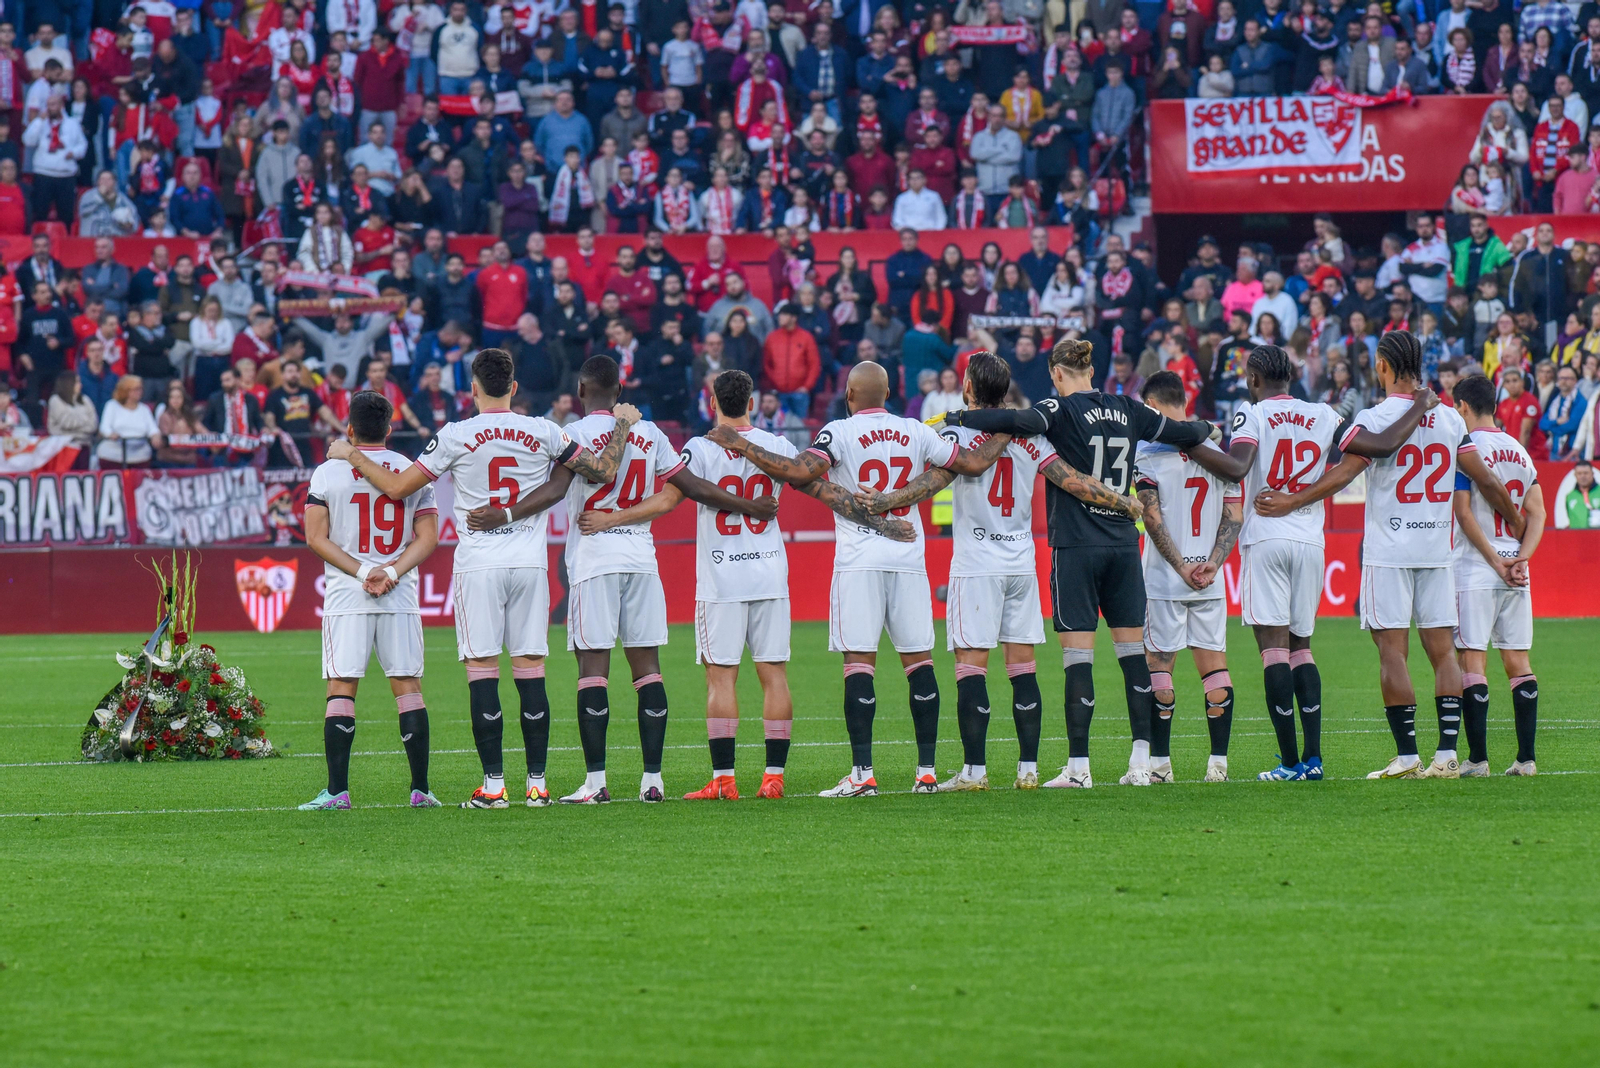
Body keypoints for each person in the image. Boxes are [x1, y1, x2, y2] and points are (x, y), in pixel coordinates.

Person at [461, 355, 771, 805]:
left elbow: (555, 489)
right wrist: (751, 507)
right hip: (642, 559)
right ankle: (653, 781)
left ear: (583, 392)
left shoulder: (573, 434)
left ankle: (596, 782)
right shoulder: (651, 433)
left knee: (594, 671)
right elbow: (694, 488)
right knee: (648, 670)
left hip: (592, 560)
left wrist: (504, 514)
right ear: (620, 388)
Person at [329, 350, 627, 807]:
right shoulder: (543, 430)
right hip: (530, 562)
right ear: (513, 387)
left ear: (472, 388)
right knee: (531, 671)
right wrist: (622, 427)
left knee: (482, 671)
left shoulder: (456, 434)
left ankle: (493, 787)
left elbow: (397, 487)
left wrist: (350, 452)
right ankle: (538, 785)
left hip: (480, 565)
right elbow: (601, 470)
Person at [939, 338, 1218, 788]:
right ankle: (1140, 765)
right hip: (1126, 548)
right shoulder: (1129, 407)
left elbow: (1016, 419)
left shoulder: (1058, 409)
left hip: (1076, 547)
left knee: (1078, 662)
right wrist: (1208, 428)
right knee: (1134, 661)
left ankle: (1079, 769)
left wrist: (961, 417)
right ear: (1092, 369)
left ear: (1056, 373)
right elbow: (1180, 432)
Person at [858, 351, 1140, 790]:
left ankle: (974, 771)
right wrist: (1123, 502)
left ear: (968, 388)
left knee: (972, 667)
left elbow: (933, 482)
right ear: (1005, 391)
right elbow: (1072, 480)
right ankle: (1028, 770)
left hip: (976, 566)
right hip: (1021, 563)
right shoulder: (1033, 437)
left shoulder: (957, 432)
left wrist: (885, 501)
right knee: (1023, 668)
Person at [1255, 332, 1524, 781]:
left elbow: (1343, 474)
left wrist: (1291, 501)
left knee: (1392, 651)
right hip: (1438, 550)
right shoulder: (1449, 419)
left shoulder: (1374, 417)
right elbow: (1488, 481)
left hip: (1389, 552)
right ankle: (1446, 754)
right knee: (1443, 653)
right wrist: (1517, 525)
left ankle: (1406, 756)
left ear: (1382, 365)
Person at [704, 360, 964, 796]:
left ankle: (863, 774)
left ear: (848, 396)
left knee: (859, 664)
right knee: (919, 663)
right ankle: (927, 773)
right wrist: (906, 495)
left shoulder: (839, 432)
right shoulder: (917, 430)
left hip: (858, 561)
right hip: (908, 557)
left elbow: (801, 473)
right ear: (888, 394)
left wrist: (743, 446)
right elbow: (957, 466)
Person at [1191, 343, 1439, 780]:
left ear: (1253, 380)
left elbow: (1236, 467)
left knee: (1273, 650)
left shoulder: (1254, 413)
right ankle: (1314, 759)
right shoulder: (1324, 414)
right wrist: (1420, 406)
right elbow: (1379, 447)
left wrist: (1189, 441)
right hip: (1310, 539)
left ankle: (1289, 763)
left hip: (1267, 533)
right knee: (1301, 648)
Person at [576, 369, 796, 799]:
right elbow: (807, 476)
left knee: (721, 678)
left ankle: (724, 780)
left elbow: (669, 498)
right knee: (774, 674)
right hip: (770, 570)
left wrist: (613, 518)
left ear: (712, 401)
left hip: (722, 576)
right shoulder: (778, 445)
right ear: (752, 401)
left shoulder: (699, 448)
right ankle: (773, 777)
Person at [299, 389, 442, 811]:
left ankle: (337, 792)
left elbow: (314, 538)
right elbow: (429, 537)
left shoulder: (328, 472)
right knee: (408, 687)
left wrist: (364, 571)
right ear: (390, 429)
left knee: (342, 686)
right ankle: (421, 789)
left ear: (349, 429)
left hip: (348, 593)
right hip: (398, 593)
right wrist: (392, 571)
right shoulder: (410, 470)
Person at [1126, 372, 1244, 784]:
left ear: (1154, 407)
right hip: (1210, 579)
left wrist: (1180, 567)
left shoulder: (1147, 457)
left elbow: (1151, 517)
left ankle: (1160, 765)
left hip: (1165, 579)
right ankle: (1219, 764)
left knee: (1159, 667)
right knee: (1215, 667)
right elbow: (1234, 515)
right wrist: (1212, 562)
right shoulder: (1217, 452)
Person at [1450, 374, 1544, 778]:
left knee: (1472, 661)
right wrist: (1520, 558)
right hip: (1516, 570)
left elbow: (1464, 512)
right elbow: (1537, 512)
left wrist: (1493, 560)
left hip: (1477, 567)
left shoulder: (1466, 448)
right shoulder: (1520, 451)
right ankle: (1526, 759)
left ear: (1463, 407)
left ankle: (1478, 759)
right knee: (1518, 663)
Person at [97, 374, 161, 467]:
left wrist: (155, 436)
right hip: (113, 455)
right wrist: (111, 434)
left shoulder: (144, 409)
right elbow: (104, 427)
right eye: (136, 389)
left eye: (140, 389)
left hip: (140, 455)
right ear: (126, 391)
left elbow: (152, 429)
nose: (140, 392)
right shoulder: (112, 405)